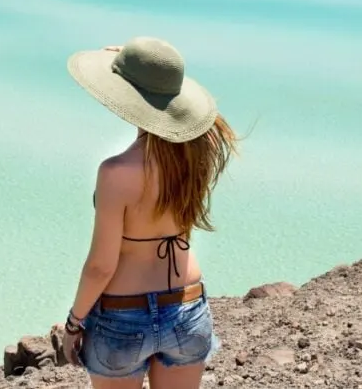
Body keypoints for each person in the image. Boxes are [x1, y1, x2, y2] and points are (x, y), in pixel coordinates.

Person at [61, 37, 239, 389]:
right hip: (187, 308)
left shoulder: (116, 173)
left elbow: (101, 266)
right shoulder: (197, 158)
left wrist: (73, 323)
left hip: (121, 318)